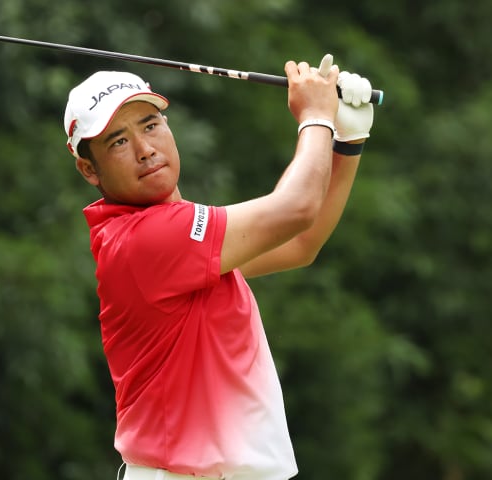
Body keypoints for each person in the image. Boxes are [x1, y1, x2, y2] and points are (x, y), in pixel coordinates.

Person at [63, 54, 374, 480]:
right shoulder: (145, 240)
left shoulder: (185, 238)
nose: (145, 149)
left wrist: (346, 140)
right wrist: (317, 116)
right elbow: (296, 209)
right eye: (118, 142)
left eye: (150, 125)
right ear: (88, 169)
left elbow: (301, 243)